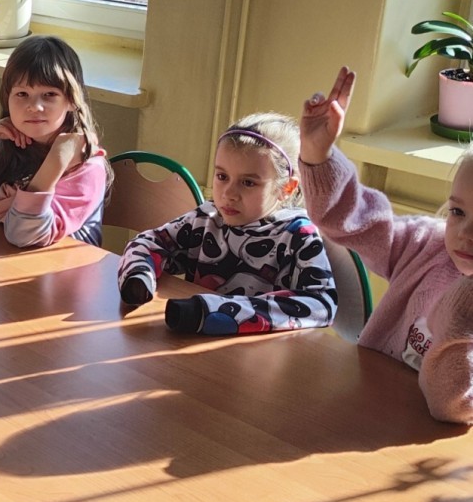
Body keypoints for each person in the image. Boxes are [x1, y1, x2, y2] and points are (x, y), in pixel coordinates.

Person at [300, 67, 473, 423]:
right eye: (458, 211)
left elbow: (449, 405)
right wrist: (318, 156)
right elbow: (354, 220)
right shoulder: (427, 246)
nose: (466, 232)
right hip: (364, 410)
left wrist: (465, 299)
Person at [118, 112, 338, 335]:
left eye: (248, 182)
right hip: (191, 343)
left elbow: (322, 304)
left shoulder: (299, 236)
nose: (229, 194)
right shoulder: (207, 218)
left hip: (261, 352)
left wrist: (217, 312)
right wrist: (139, 274)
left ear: (286, 188)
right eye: (222, 177)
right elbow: (150, 242)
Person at [0, 35, 111, 247]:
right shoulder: (8, 144)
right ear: (7, 99)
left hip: (64, 266)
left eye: (49, 94)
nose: (34, 106)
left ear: (72, 100)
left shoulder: (87, 166)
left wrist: (56, 161)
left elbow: (23, 234)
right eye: (22, 94)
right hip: (6, 258)